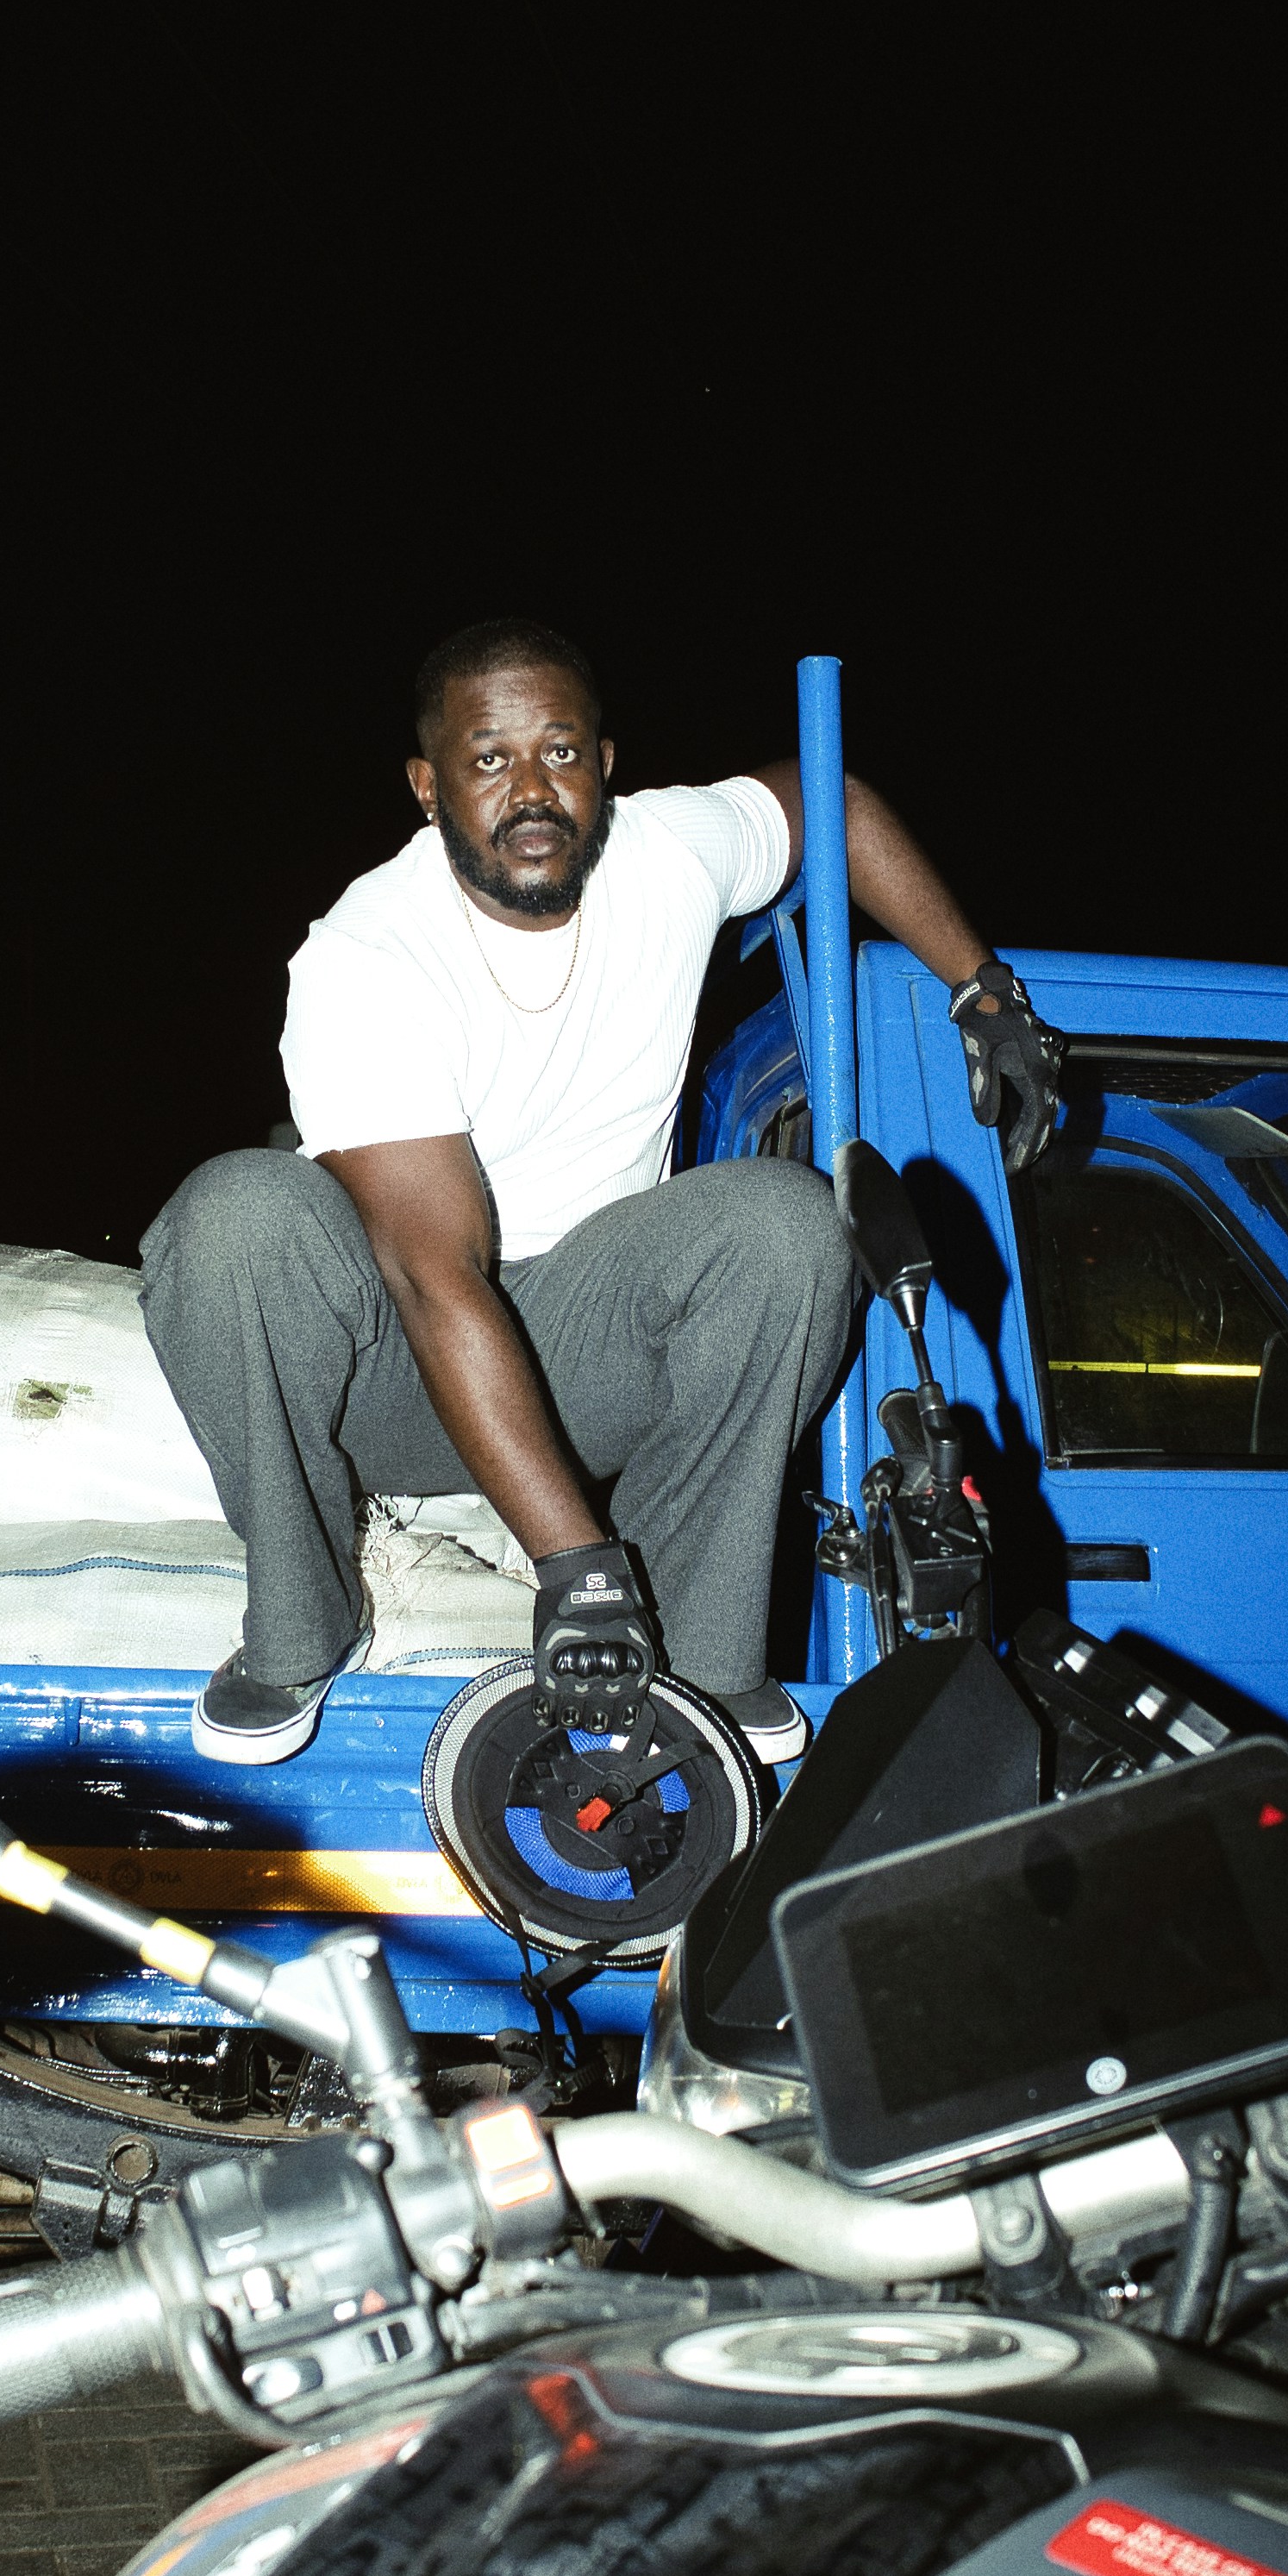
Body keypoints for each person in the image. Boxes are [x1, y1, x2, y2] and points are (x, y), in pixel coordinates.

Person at [140, 618, 1060, 1766]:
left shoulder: (671, 852)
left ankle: (698, 1662)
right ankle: (302, 1625)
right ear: (429, 787)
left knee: (783, 1225)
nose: (532, 791)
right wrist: (577, 1568)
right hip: (395, 1373)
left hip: (587, 1359)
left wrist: (982, 988)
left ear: (605, 764)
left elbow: (839, 809)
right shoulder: (368, 956)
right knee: (233, 1216)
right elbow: (435, 1279)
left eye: (560, 753)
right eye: (488, 760)